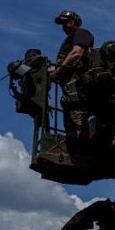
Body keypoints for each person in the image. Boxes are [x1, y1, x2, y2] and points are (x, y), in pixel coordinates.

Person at [48, 10, 95, 139]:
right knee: (72, 130)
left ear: (74, 22)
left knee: (79, 129)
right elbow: (63, 64)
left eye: (66, 22)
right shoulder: (71, 37)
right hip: (71, 94)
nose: (63, 26)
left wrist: (57, 72)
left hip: (78, 91)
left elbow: (76, 54)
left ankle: (82, 149)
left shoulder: (81, 33)